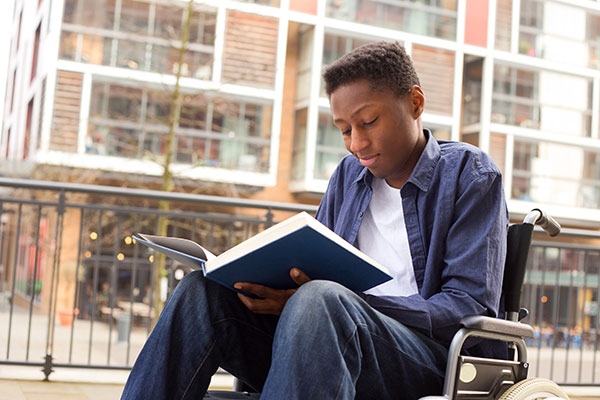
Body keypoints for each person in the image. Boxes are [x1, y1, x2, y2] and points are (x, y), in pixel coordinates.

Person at [121, 41, 508, 400]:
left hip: (426, 362)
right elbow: (315, 270)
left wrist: (355, 303)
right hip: (321, 341)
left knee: (322, 298)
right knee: (200, 292)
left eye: (368, 121)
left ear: (415, 103)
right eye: (344, 130)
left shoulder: (470, 175)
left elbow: (466, 307)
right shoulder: (346, 177)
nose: (356, 143)